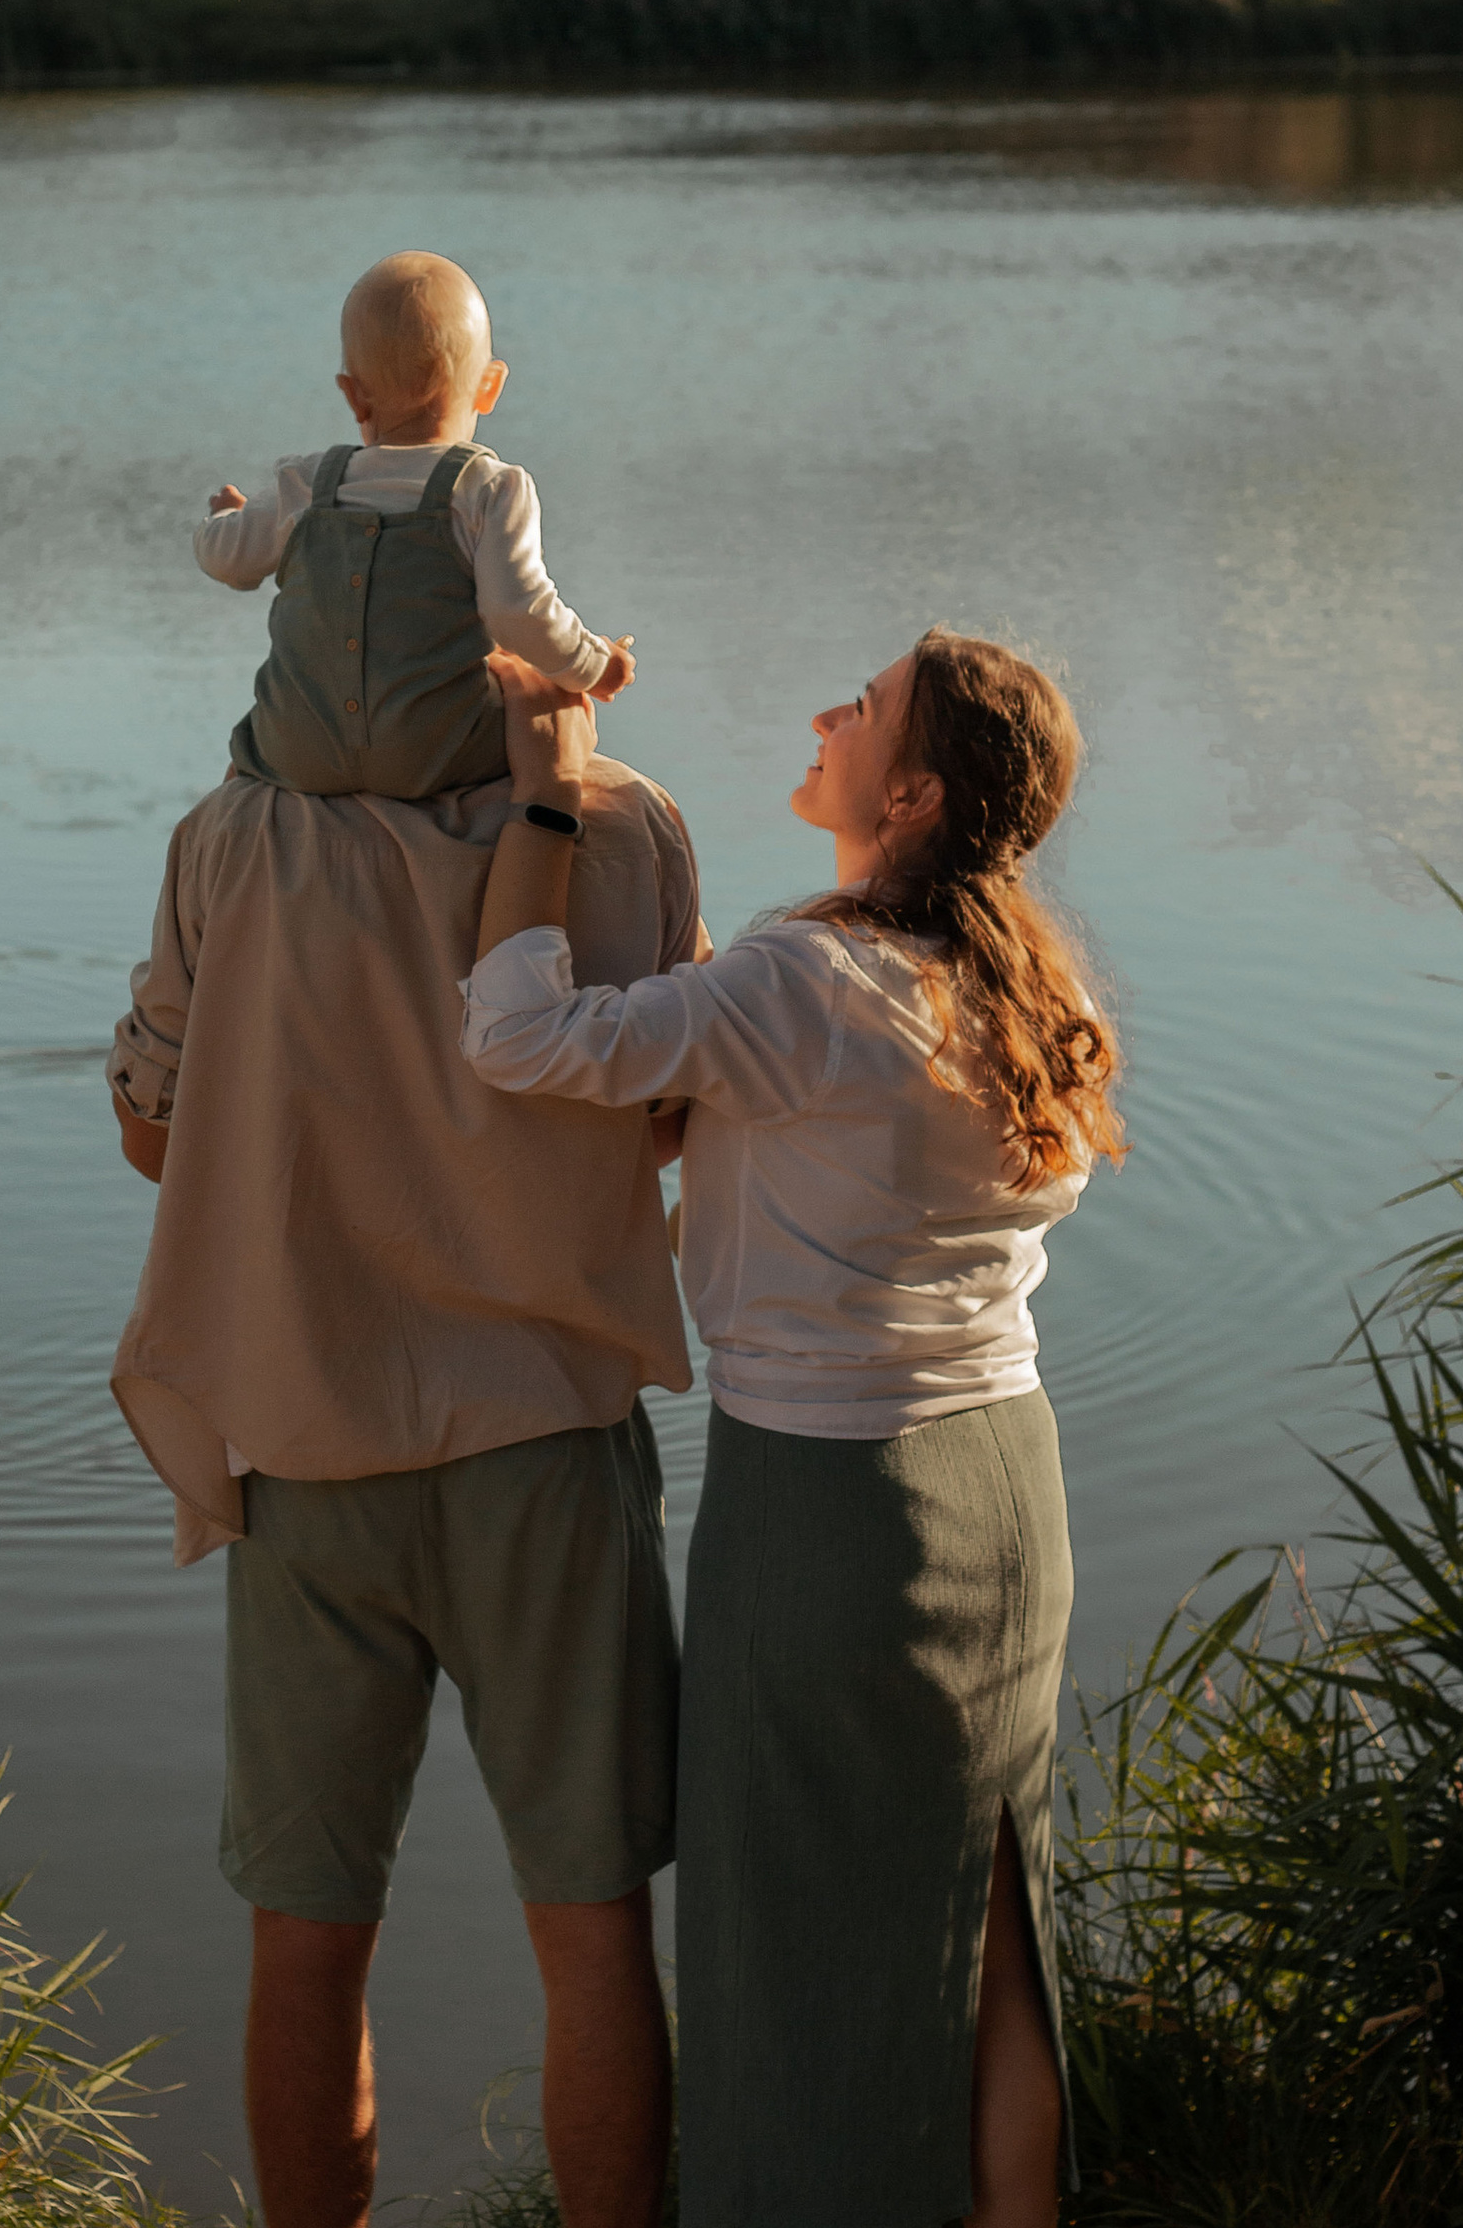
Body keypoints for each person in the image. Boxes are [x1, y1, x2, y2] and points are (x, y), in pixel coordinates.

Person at [461, 629, 1126, 2228]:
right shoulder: (1010, 981)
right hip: (1008, 1490)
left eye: (868, 706)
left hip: (832, 1511)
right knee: (988, 1921)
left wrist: (546, 800)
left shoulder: (803, 983)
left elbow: (519, 1038)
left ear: (910, 793)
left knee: (792, 1950)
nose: (828, 710)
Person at [107, 741, 704, 2228]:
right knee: (593, 1923)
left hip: (311, 1439)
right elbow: (674, 1111)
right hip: (549, 1442)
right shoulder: (626, 822)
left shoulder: (232, 837)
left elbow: (152, 1138)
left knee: (307, 1936)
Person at [195, 250, 634, 799]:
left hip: (297, 752)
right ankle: (542, 829)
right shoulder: (490, 487)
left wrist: (227, 517)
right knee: (550, 700)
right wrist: (594, 664)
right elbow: (516, 613)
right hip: (436, 754)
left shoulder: (303, 484)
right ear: (490, 386)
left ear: (353, 395)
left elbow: (224, 559)